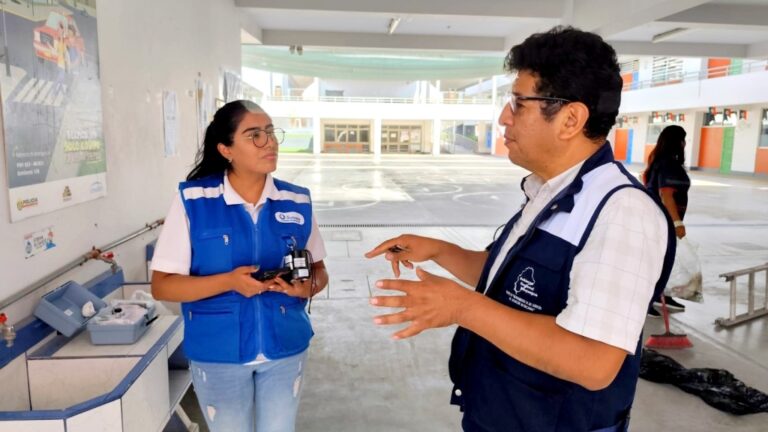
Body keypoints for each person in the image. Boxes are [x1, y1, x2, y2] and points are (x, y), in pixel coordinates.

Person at [365, 26, 676, 432]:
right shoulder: (549, 191)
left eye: (518, 103)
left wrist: (462, 307)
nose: (504, 118)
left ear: (570, 119)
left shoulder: (622, 213)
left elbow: (594, 361)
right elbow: (507, 278)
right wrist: (439, 250)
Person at [151, 100, 328, 432]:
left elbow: (318, 270)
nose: (269, 142)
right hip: (218, 352)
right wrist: (230, 282)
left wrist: (308, 287)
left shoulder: (297, 201)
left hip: (285, 347)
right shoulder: (194, 202)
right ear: (226, 149)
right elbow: (163, 286)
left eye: (271, 132)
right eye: (254, 135)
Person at [643, 125, 691, 315]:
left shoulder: (662, 161)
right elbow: (666, 195)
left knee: (662, 261)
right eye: (683, 140)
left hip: (661, 220)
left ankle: (660, 294)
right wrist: (677, 223)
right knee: (656, 263)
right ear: (677, 142)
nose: (684, 144)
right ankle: (646, 301)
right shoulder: (667, 164)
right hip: (663, 222)